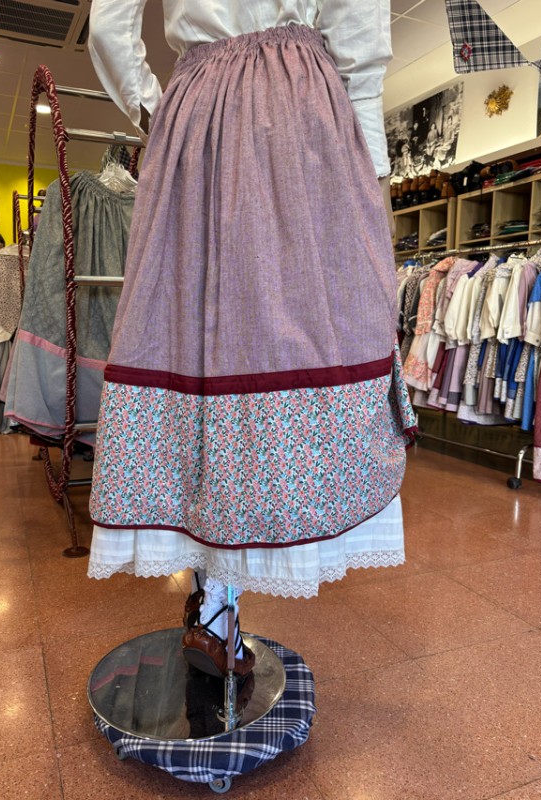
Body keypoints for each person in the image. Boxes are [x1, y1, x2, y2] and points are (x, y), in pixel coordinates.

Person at [86, 0, 416, 679]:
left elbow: (108, 31)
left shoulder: (187, 102)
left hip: (196, 116)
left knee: (189, 339)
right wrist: (371, 173)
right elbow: (359, 38)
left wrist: (161, 106)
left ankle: (214, 609)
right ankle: (217, 609)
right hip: (303, 112)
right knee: (303, 335)